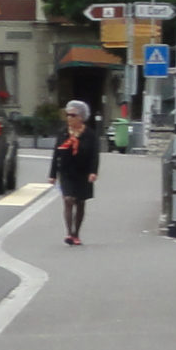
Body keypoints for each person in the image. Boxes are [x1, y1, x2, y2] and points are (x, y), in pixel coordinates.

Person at [52, 98, 102, 244]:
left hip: (83, 172)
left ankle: (76, 234)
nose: (69, 118)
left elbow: (94, 155)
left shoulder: (90, 135)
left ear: (81, 117)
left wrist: (93, 172)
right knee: (68, 200)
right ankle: (68, 233)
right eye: (68, 115)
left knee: (80, 202)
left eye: (73, 115)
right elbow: (56, 154)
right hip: (66, 171)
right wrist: (52, 174)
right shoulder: (63, 133)